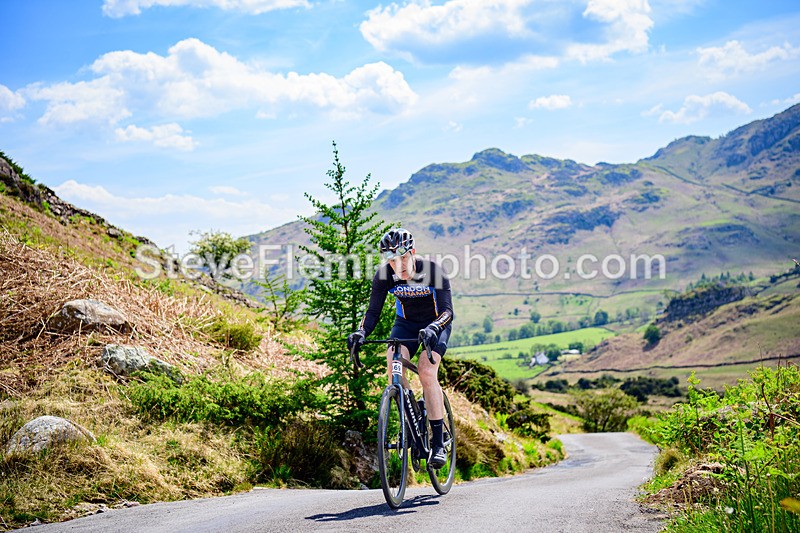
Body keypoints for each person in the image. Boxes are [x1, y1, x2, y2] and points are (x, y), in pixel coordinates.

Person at [347, 228, 454, 469]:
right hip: (405, 326)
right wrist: (361, 332)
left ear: (413, 253)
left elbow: (448, 311)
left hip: (436, 325)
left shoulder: (432, 272)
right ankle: (413, 418)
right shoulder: (384, 276)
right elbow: (373, 312)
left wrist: (434, 328)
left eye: (403, 257)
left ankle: (438, 443)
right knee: (393, 365)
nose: (399, 265)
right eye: (392, 260)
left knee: (427, 372)